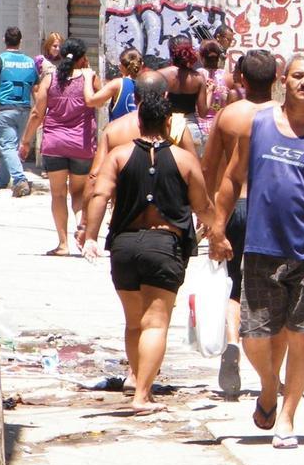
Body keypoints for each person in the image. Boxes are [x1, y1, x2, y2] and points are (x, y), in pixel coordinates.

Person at [209, 54, 304, 449]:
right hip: (261, 247)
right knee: (256, 335)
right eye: (298, 76)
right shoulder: (256, 128)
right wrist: (217, 229)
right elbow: (230, 179)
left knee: (300, 337)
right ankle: (269, 388)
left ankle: (287, 417)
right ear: (283, 81)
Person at [80, 74, 216, 414]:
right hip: (163, 247)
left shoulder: (119, 153)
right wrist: (219, 235)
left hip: (124, 246)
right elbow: (204, 206)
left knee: (133, 322)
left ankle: (135, 379)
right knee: (156, 324)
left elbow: (99, 193)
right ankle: (143, 394)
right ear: (168, 121)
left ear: (139, 119)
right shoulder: (184, 160)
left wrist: (91, 235)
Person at [199, 50, 279, 401]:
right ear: (276, 79)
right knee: (273, 286)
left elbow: (210, 169)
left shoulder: (229, 115)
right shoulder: (284, 116)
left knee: (233, 284)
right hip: (272, 209)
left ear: (241, 80)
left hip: (232, 208)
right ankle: (270, 367)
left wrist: (210, 217)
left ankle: (232, 343)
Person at [79, 71, 198, 245]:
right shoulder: (177, 126)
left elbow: (94, 178)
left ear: (134, 97)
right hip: (171, 226)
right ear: (165, 95)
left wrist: (86, 224)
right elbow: (195, 173)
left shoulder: (113, 129)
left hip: (126, 224)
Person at [18, 38, 104, 255]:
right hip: (81, 145)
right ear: (83, 57)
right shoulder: (89, 77)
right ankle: (81, 227)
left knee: (58, 195)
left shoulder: (50, 78)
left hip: (54, 143)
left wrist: (26, 141)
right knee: (78, 193)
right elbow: (100, 102)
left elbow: (38, 113)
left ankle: (63, 244)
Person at [0, 27, 37, 197]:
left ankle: (19, 179)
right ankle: (0, 182)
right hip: (25, 110)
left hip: (6, 109)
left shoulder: (0, 60)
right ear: (20, 41)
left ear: (4, 39)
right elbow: (36, 89)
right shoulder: (30, 62)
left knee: (7, 147)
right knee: (12, 147)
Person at [157, 35, 207, 151]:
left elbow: (156, 107)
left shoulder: (161, 75)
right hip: (191, 129)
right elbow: (203, 112)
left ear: (171, 52)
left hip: (168, 128)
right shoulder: (198, 78)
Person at [198, 39, 237, 145]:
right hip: (220, 128)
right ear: (219, 57)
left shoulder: (197, 76)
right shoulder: (229, 77)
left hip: (199, 128)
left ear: (201, 57)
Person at [90, 48, 142, 121]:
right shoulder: (147, 84)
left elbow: (91, 101)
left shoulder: (118, 84)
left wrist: (88, 78)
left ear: (122, 66)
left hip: (119, 131)